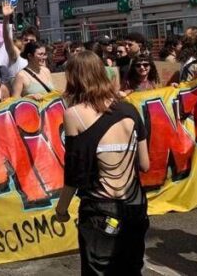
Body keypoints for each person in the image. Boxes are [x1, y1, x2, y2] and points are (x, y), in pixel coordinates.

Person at [55, 50, 151, 274]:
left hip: (100, 209)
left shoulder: (74, 115)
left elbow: (75, 173)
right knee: (130, 269)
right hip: (135, 206)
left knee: (98, 270)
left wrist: (61, 209)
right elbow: (145, 164)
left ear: (74, 78)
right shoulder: (130, 110)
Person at [0, 1, 29, 85]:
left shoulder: (39, 59)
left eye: (32, 41)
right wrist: (6, 18)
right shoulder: (17, 56)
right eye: (26, 40)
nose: (28, 42)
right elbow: (7, 40)